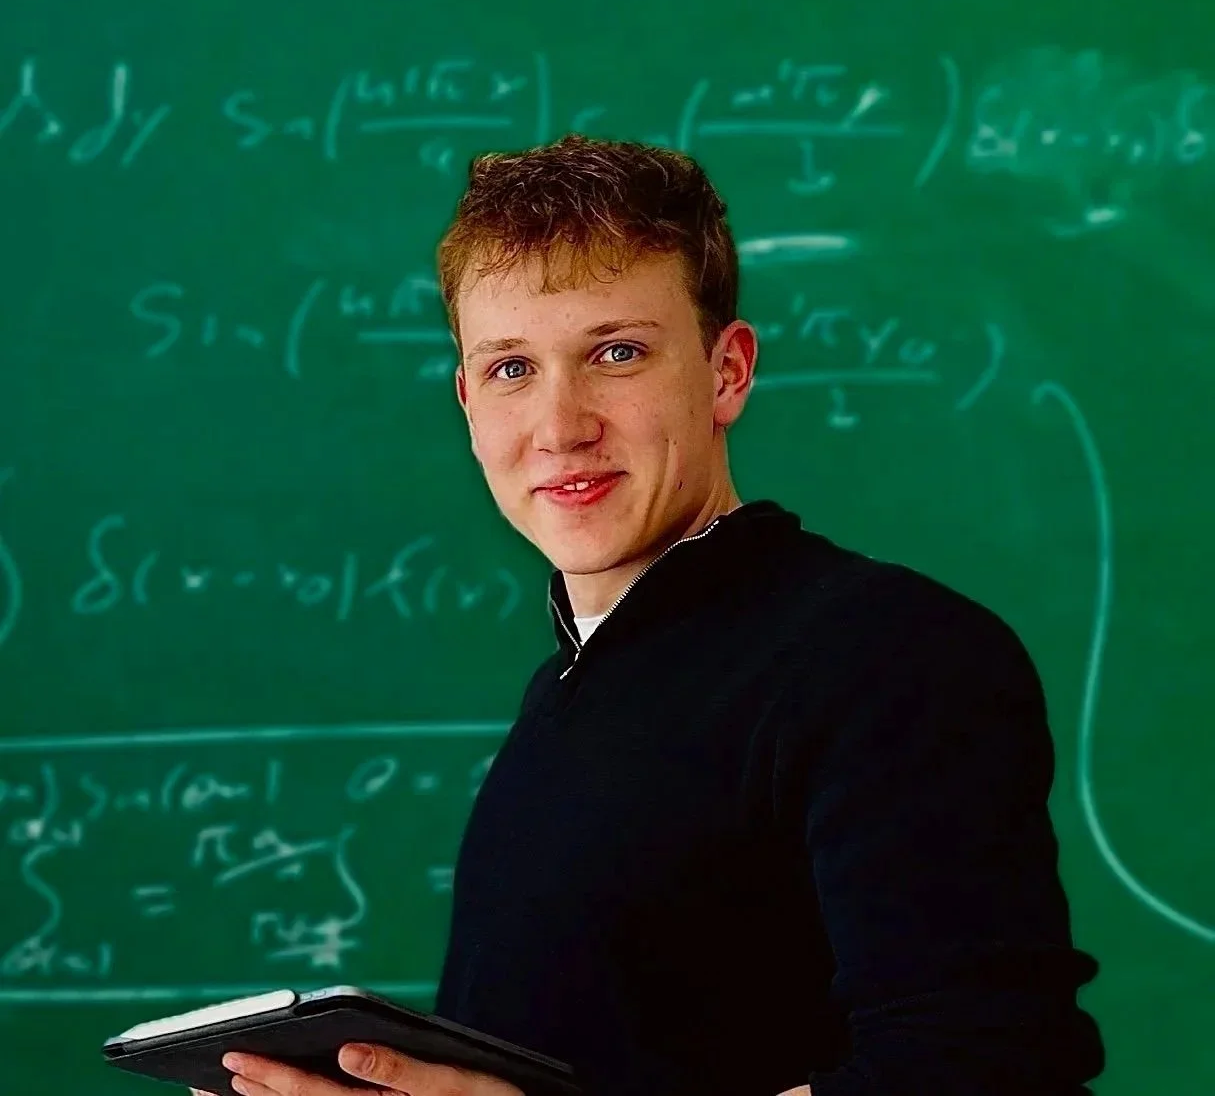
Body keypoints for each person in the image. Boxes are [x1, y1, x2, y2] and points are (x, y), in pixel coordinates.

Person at [208, 134, 1105, 1096]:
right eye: (511, 368)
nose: (560, 426)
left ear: (727, 371)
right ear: (467, 402)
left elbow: (980, 1068)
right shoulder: (567, 692)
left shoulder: (892, 658)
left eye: (617, 353)